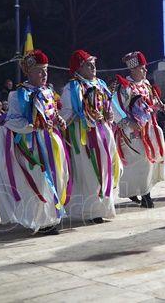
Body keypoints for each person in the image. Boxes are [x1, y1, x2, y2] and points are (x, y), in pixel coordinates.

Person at [0, 49, 72, 234]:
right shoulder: (18, 95)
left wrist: (59, 120)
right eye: (39, 71)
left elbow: (52, 113)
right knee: (40, 180)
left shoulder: (48, 91)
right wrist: (35, 126)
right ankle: (43, 221)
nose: (44, 74)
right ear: (28, 72)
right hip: (32, 147)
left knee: (57, 177)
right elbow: (13, 121)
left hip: (51, 142)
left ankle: (51, 217)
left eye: (46, 70)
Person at [60, 49, 121, 224]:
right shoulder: (72, 88)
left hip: (104, 132)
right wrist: (84, 115)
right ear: (78, 68)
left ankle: (104, 207)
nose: (93, 67)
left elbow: (108, 105)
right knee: (90, 172)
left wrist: (109, 115)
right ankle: (91, 211)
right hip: (84, 137)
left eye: (93, 64)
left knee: (108, 167)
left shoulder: (100, 83)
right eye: (88, 64)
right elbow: (66, 114)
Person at [113, 51, 165, 208]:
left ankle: (142, 191)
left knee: (149, 160)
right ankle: (145, 194)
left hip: (149, 129)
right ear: (133, 69)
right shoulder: (124, 87)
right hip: (132, 132)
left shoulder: (146, 84)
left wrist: (160, 106)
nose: (145, 70)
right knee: (140, 161)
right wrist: (128, 123)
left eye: (145, 67)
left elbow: (151, 102)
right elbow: (115, 108)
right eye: (142, 68)